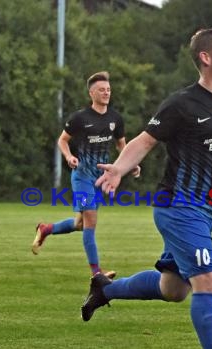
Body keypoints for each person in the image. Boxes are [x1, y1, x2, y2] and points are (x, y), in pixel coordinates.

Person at [81, 26, 212, 349]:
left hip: (204, 210)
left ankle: (104, 288)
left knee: (174, 289)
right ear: (206, 57)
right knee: (208, 279)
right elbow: (145, 141)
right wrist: (119, 168)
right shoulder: (182, 103)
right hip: (179, 206)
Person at [31, 71, 140, 278]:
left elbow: (121, 144)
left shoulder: (115, 118)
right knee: (91, 221)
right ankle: (97, 272)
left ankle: (46, 229)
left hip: (100, 179)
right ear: (92, 93)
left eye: (108, 89)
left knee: (79, 224)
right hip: (81, 178)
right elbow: (62, 140)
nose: (106, 93)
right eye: (102, 90)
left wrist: (129, 163)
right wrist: (69, 156)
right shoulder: (80, 118)